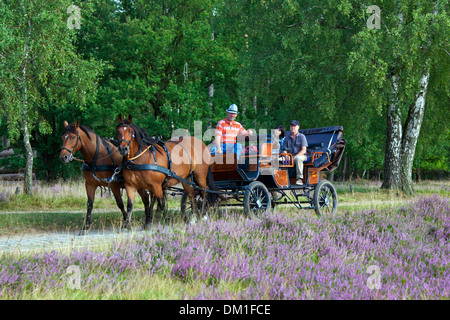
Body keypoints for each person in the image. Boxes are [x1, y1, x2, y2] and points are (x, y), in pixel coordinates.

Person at [283, 120, 308, 185]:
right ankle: (282, 179)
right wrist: (286, 156)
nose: (292, 127)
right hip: (290, 156)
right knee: (277, 160)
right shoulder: (287, 137)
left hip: (302, 156)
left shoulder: (302, 137)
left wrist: (294, 157)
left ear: (298, 127)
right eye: (291, 126)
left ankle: (299, 179)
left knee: (298, 159)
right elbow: (284, 150)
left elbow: (304, 150)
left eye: (294, 126)